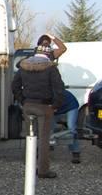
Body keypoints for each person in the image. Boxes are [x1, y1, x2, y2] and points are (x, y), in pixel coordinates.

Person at [11, 40, 66, 178]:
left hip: (28, 106)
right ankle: (43, 170)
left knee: (30, 137)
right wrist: (55, 106)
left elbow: (14, 86)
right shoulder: (51, 68)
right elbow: (59, 90)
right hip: (44, 107)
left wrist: (22, 100)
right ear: (48, 54)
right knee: (43, 140)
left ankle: (29, 166)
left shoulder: (23, 66)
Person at [38, 34, 81, 163]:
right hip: (56, 104)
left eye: (48, 43)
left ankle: (75, 152)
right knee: (49, 127)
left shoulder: (51, 54)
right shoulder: (36, 57)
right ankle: (47, 148)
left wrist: (53, 37)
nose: (46, 45)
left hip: (69, 105)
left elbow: (62, 48)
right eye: (43, 43)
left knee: (71, 128)